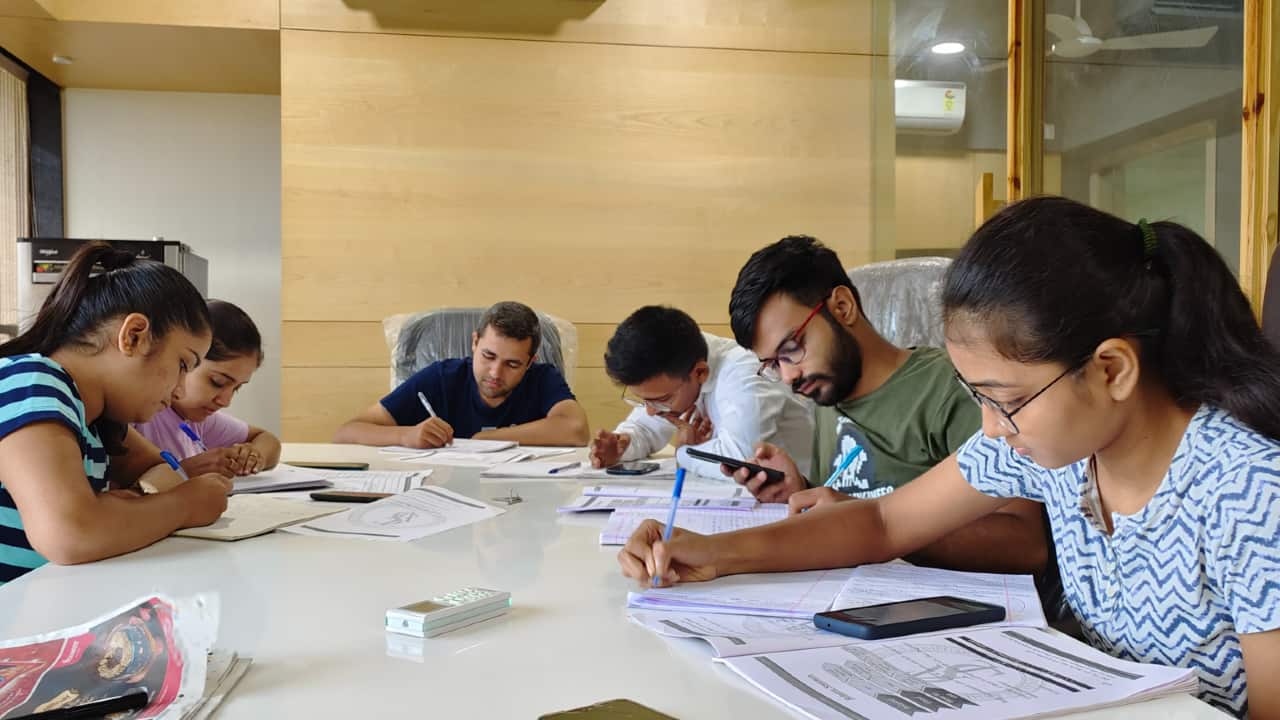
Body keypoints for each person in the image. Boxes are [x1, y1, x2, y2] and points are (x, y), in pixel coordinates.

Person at [618, 197, 1280, 719]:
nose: (990, 429)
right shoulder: (1053, 448)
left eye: (1005, 400)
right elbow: (884, 523)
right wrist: (713, 553)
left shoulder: (1246, 489)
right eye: (977, 398)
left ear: (1111, 369)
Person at [725, 235, 1047, 573]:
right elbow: (840, 498)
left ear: (843, 307)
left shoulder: (950, 389)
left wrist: (863, 519)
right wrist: (800, 490)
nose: (789, 375)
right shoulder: (827, 393)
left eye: (791, 349)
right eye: (774, 365)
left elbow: (1025, 544)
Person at [0, 242, 230, 582]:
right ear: (134, 336)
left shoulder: (95, 419)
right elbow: (69, 534)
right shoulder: (33, 383)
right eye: (183, 364)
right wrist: (184, 507)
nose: (180, 389)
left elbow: (167, 474)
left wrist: (130, 503)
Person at [588, 305, 814, 479]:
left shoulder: (747, 374)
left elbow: (740, 460)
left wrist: (685, 451)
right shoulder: (674, 365)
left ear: (700, 372)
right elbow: (645, 428)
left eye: (661, 400)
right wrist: (622, 445)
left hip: (802, 500)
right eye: (643, 400)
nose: (650, 411)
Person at [334, 301, 589, 448]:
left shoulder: (542, 379)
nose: (495, 373)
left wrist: (485, 440)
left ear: (530, 361)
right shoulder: (441, 378)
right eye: (488, 356)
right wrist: (405, 435)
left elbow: (575, 429)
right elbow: (347, 433)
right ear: (475, 342)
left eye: (512, 364)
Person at [134, 299, 281, 482]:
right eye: (217, 382)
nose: (226, 401)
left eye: (237, 388)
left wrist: (253, 456)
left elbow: (268, 440)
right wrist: (187, 471)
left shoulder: (194, 418)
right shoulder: (137, 415)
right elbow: (128, 488)